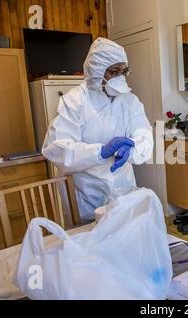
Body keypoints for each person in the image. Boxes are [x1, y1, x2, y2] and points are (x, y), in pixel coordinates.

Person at [42, 38, 153, 221]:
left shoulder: (129, 101)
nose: (120, 78)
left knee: (124, 236)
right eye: (114, 72)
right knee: (88, 242)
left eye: (123, 71)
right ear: (96, 70)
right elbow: (56, 148)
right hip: (85, 192)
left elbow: (145, 136)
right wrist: (99, 151)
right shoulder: (74, 101)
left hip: (122, 188)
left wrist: (133, 148)